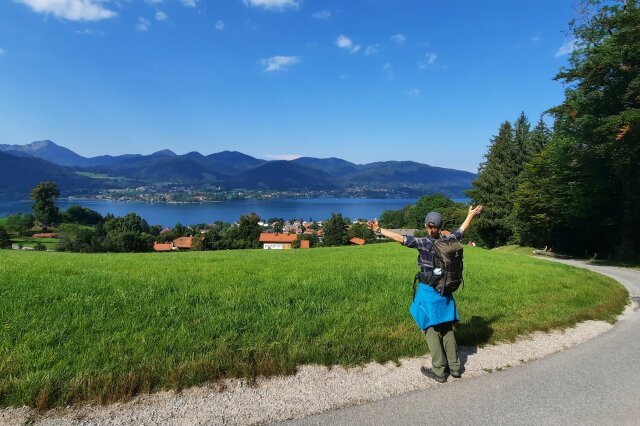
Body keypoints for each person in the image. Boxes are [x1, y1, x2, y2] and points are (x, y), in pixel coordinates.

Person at [367, 205, 483, 382]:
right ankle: (455, 368)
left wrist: (378, 229)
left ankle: (439, 371)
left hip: (428, 291)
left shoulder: (424, 242)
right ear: (440, 225)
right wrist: (470, 215)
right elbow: (461, 230)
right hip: (445, 291)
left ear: (427, 226)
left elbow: (400, 238)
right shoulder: (449, 239)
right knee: (447, 328)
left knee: (430, 328)